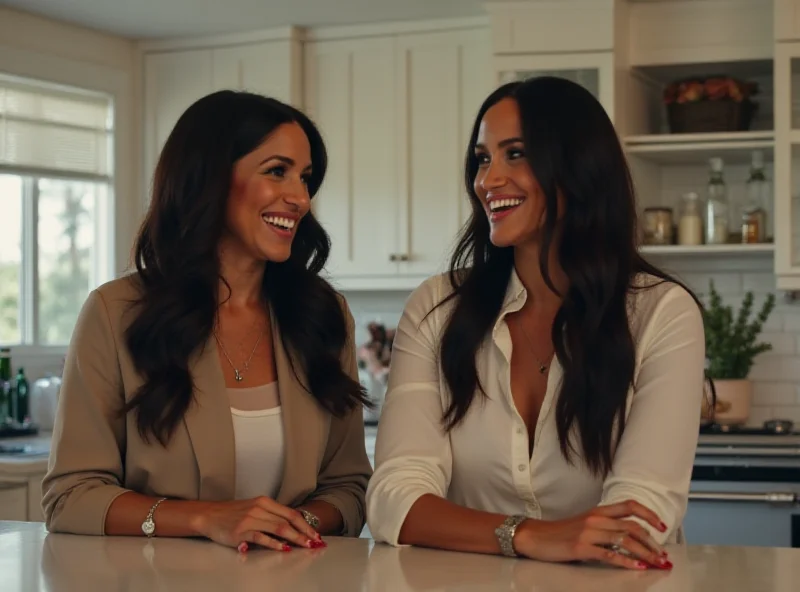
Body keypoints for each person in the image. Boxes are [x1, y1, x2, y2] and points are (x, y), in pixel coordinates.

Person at [366, 77, 707, 570]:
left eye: (516, 154)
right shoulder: (438, 306)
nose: (488, 179)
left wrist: (538, 538)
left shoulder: (661, 314)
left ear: (579, 169)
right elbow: (395, 498)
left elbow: (640, 515)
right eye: (483, 158)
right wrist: (527, 536)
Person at [42, 90, 372, 552]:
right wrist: (207, 518)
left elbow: (350, 487)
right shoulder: (114, 314)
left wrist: (285, 524)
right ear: (210, 178)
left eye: (306, 178)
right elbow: (71, 496)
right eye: (277, 171)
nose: (299, 197)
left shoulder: (323, 315)